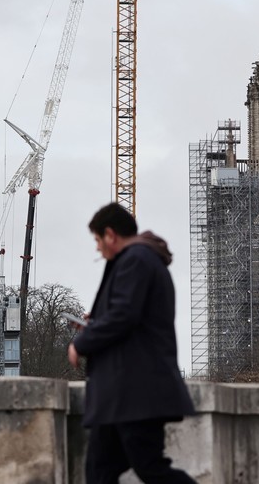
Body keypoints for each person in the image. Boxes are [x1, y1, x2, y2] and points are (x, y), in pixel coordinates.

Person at [69, 203, 196, 484]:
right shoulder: (141, 259)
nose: (97, 248)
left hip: (135, 391)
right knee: (100, 473)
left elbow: (123, 316)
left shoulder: (136, 259)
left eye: (97, 240)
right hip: (123, 392)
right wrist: (98, 321)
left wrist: (82, 342)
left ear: (110, 235)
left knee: (150, 468)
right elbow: (129, 316)